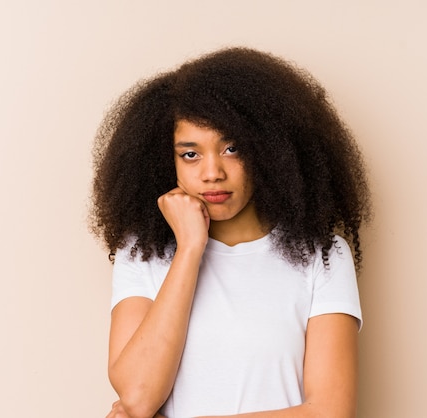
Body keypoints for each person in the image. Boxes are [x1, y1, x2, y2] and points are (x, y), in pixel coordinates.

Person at [90, 47, 372, 418]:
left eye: (232, 148)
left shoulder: (322, 254)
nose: (212, 173)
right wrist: (190, 248)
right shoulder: (142, 254)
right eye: (190, 154)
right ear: (165, 159)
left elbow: (329, 412)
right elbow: (137, 396)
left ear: (270, 150)